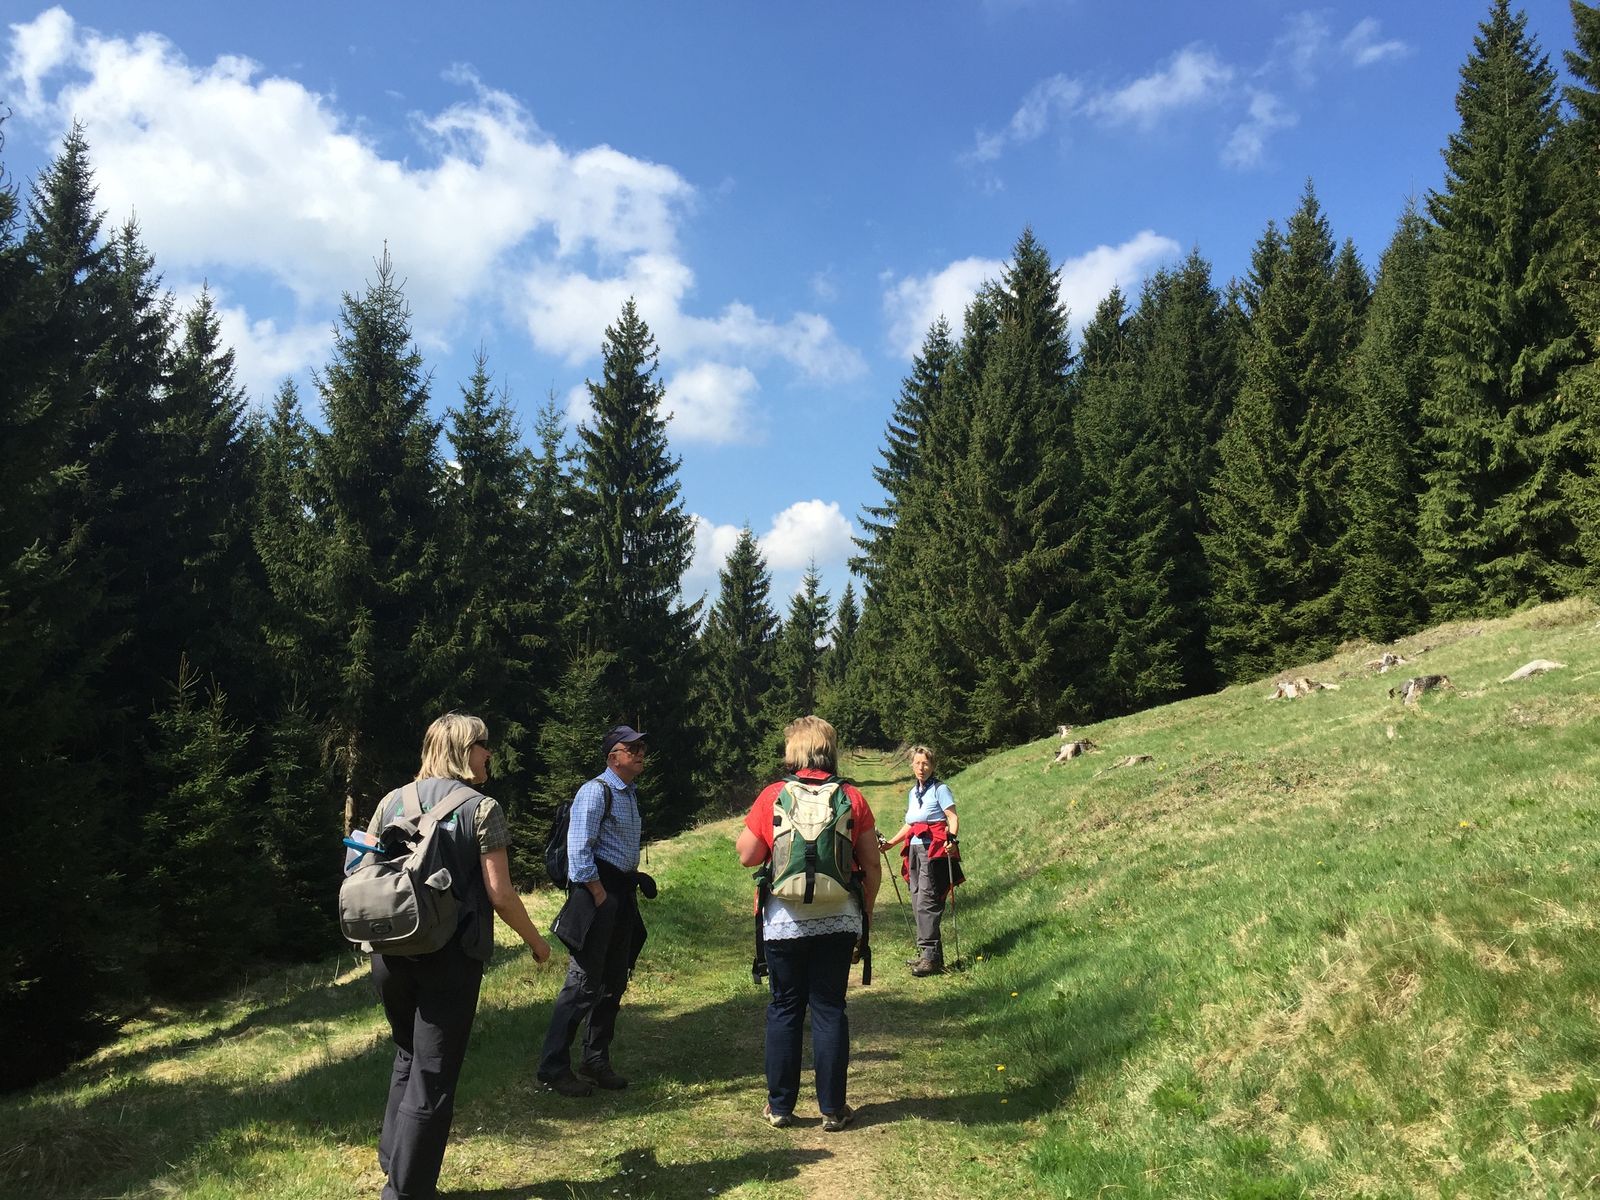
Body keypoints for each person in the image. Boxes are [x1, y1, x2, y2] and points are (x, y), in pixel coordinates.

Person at [366, 712, 552, 1200]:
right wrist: (537, 943)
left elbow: (362, 870)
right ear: (463, 750)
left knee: (407, 1054)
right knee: (435, 1073)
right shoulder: (481, 808)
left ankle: (395, 1160)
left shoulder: (391, 802)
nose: (490, 753)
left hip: (388, 952)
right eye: (484, 744)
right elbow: (501, 895)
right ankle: (406, 1191)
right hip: (449, 957)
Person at [737, 715, 880, 1132]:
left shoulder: (773, 796)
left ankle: (780, 1107)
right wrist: (865, 913)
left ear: (793, 753)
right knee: (830, 1008)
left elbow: (747, 855)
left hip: (783, 920)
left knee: (784, 1008)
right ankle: (833, 1109)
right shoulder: (851, 797)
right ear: (829, 751)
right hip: (837, 918)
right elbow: (870, 865)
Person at [536, 724, 650, 1097]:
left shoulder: (629, 794)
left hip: (621, 897)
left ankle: (595, 1060)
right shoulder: (595, 791)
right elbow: (578, 850)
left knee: (613, 981)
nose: (638, 752)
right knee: (583, 983)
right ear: (612, 757)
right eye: (630, 748)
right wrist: (599, 893)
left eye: (640, 747)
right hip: (598, 896)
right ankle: (553, 1067)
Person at [879, 744, 960, 976]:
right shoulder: (913, 793)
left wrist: (952, 839)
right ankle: (929, 955)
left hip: (933, 849)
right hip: (914, 849)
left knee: (927, 900)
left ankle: (930, 958)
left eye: (925, 763)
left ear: (932, 765)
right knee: (916, 899)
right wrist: (892, 843)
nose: (921, 767)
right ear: (912, 765)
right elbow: (911, 823)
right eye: (917, 763)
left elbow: (952, 817)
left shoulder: (940, 789)